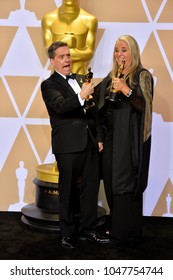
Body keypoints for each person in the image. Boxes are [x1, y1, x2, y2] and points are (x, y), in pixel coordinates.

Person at [41, 41, 109, 249]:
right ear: (52, 61)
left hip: (88, 143)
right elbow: (61, 107)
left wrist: (98, 137)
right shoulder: (49, 85)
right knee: (68, 191)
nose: (67, 60)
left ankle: (89, 230)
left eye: (68, 56)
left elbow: (93, 111)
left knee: (90, 189)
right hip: (67, 146)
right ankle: (67, 233)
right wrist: (81, 95)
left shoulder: (80, 80)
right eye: (61, 57)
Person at [94, 35, 154, 249]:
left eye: (124, 50)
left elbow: (145, 107)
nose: (119, 55)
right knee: (111, 184)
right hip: (111, 142)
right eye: (117, 50)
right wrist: (100, 138)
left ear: (133, 52)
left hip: (130, 143)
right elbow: (97, 109)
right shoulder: (111, 77)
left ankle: (127, 235)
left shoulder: (142, 76)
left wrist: (126, 91)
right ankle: (117, 231)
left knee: (126, 186)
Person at [41, 0, 98, 74]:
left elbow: (89, 52)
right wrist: (72, 51)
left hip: (79, 75)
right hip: (57, 77)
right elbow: (48, 51)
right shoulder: (48, 19)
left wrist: (61, 52)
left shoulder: (90, 20)